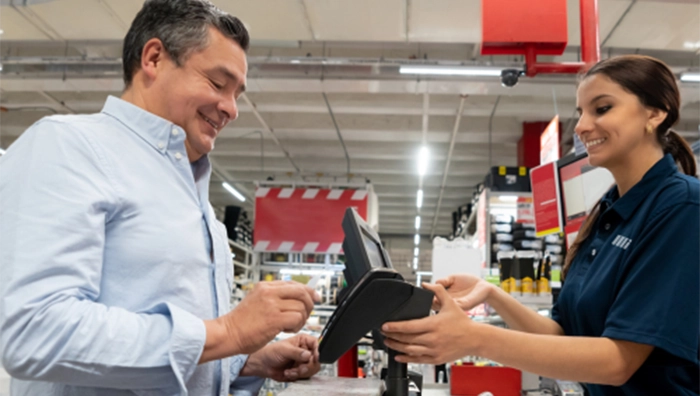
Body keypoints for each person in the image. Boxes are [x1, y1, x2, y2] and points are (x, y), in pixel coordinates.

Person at [0, 1, 321, 395]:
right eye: (219, 84)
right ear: (153, 58)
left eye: (238, 93)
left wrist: (248, 360)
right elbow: (36, 334)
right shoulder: (68, 147)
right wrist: (230, 332)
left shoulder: (198, 201)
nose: (232, 110)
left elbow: (177, 357)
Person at [381, 55, 700, 395]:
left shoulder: (681, 208)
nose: (580, 126)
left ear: (654, 113)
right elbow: (562, 336)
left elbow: (618, 362)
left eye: (602, 108)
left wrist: (475, 339)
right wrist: (492, 293)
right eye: (580, 113)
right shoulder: (607, 213)